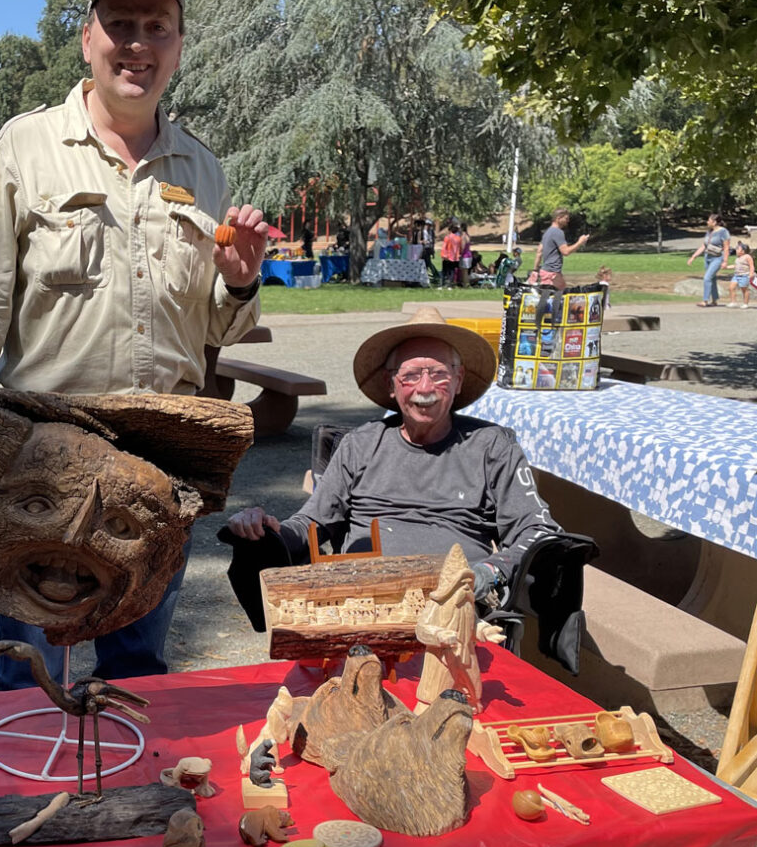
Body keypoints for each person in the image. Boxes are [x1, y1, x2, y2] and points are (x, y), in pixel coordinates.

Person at [0, 0, 267, 693]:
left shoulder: (200, 168)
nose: (138, 44)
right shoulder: (25, 148)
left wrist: (241, 284)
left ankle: (137, 807)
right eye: (120, 24)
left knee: (138, 667)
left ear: (178, 46)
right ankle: (22, 800)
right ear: (87, 37)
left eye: (157, 27)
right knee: (28, 668)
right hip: (47, 460)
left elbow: (218, 334)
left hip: (159, 464)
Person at [227, 307, 560, 603]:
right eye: (411, 375)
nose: (425, 388)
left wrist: (490, 571)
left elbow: (540, 531)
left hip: (454, 605)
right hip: (361, 602)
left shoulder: (491, 447)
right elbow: (311, 522)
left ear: (458, 381)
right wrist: (268, 530)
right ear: (391, 384)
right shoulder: (361, 443)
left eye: (440, 374)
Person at [530, 207, 589, 331]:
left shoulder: (547, 232)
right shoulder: (557, 232)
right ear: (558, 218)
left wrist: (535, 270)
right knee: (562, 298)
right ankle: (555, 327)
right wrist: (580, 242)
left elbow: (539, 251)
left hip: (545, 271)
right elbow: (566, 251)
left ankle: (541, 326)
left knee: (546, 298)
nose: (568, 221)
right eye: (566, 219)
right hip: (553, 273)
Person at [688, 213, 730, 307]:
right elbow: (704, 245)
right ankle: (714, 300)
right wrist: (693, 256)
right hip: (708, 257)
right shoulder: (709, 232)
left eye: (709, 220)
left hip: (718, 258)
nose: (707, 222)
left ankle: (705, 300)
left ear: (714, 222)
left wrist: (725, 261)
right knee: (712, 278)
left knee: (707, 278)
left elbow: (726, 247)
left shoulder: (723, 232)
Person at [728, 242, 754, 309]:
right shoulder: (737, 258)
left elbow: (751, 266)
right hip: (736, 275)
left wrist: (751, 273)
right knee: (731, 287)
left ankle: (745, 303)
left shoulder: (747, 256)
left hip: (744, 275)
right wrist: (727, 267)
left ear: (743, 251)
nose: (736, 250)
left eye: (738, 249)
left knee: (744, 289)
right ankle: (733, 302)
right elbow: (735, 266)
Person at [439, 222, 462, 288]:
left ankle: (442, 285)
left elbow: (444, 247)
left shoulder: (447, 237)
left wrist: (443, 255)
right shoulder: (458, 238)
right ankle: (450, 285)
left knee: (444, 271)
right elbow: (459, 248)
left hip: (447, 256)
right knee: (452, 271)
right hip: (454, 257)